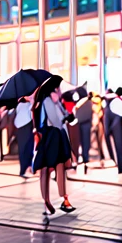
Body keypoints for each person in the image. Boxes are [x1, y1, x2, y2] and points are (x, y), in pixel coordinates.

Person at [33, 82, 75, 217]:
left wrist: (65, 112)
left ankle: (65, 199)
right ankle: (46, 201)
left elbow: (63, 121)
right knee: (45, 168)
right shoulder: (46, 101)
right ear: (53, 90)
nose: (60, 91)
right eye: (58, 89)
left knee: (60, 167)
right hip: (50, 138)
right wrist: (61, 112)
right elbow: (56, 121)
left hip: (60, 138)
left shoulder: (56, 102)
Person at [71, 87, 93, 173]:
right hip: (83, 125)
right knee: (84, 145)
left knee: (83, 144)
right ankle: (84, 162)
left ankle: (84, 162)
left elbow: (82, 115)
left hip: (82, 125)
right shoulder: (85, 102)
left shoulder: (84, 102)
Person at [105, 88, 122, 173]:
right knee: (119, 148)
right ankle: (120, 167)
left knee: (114, 148)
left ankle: (117, 164)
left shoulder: (108, 103)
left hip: (110, 125)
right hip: (117, 126)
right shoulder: (118, 102)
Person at [14, 95, 34, 177]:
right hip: (22, 124)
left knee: (29, 147)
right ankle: (23, 170)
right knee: (24, 148)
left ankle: (27, 168)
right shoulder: (20, 99)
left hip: (28, 123)